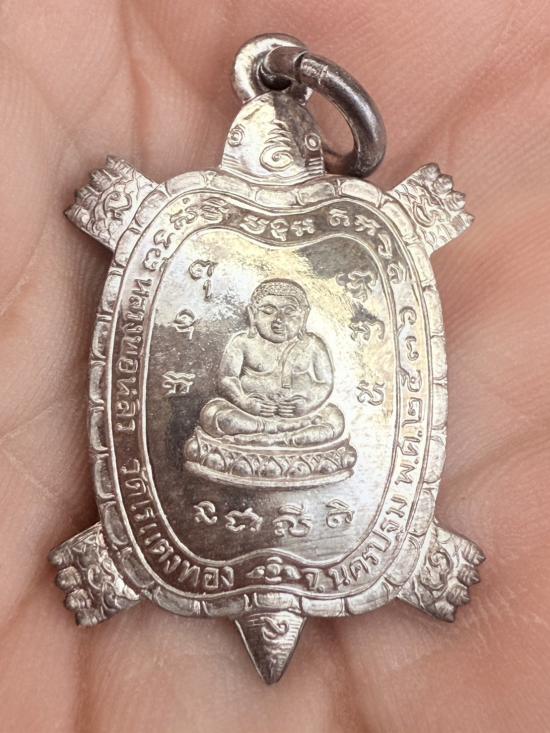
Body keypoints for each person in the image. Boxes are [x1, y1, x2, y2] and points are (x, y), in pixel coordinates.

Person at [199, 279, 345, 447]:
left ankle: (279, 439)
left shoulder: (313, 345)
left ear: (304, 316)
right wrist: (243, 401)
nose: (279, 320)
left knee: (334, 418)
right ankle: (274, 430)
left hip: (300, 418)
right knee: (212, 413)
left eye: (289, 312)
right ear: (252, 314)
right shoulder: (243, 342)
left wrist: (307, 405)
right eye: (268, 311)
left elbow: (325, 383)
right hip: (251, 416)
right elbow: (227, 378)